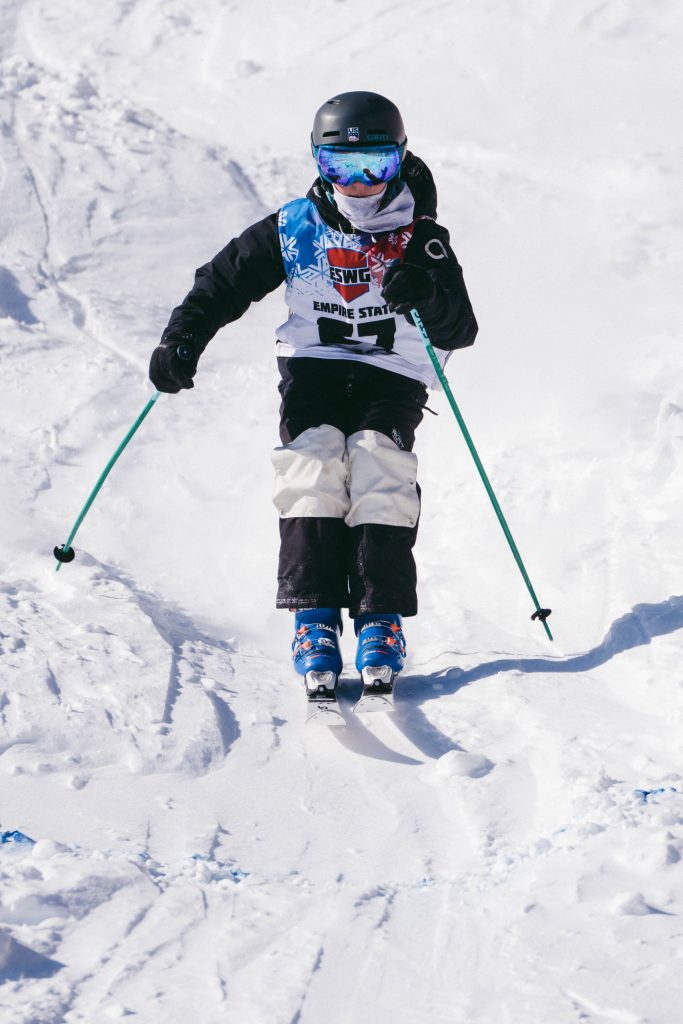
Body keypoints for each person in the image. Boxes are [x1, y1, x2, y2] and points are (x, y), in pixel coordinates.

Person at [149, 91, 478, 705]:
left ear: (400, 160)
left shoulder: (423, 239)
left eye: (374, 166)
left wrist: (427, 294)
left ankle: (380, 618)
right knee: (313, 463)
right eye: (340, 167)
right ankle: (315, 615)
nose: (358, 185)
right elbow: (221, 284)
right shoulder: (294, 226)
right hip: (315, 366)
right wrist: (182, 340)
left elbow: (461, 330)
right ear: (318, 164)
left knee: (379, 462)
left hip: (392, 371)